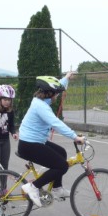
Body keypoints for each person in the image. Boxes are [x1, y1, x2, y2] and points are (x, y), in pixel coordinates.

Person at [17, 72, 85, 207]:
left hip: (33, 142)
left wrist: (66, 78)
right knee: (62, 166)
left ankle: (57, 188)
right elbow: (56, 123)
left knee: (61, 153)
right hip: (29, 145)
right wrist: (75, 137)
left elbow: (56, 87)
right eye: (56, 93)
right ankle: (33, 187)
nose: (57, 95)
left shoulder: (41, 100)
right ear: (50, 93)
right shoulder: (41, 107)